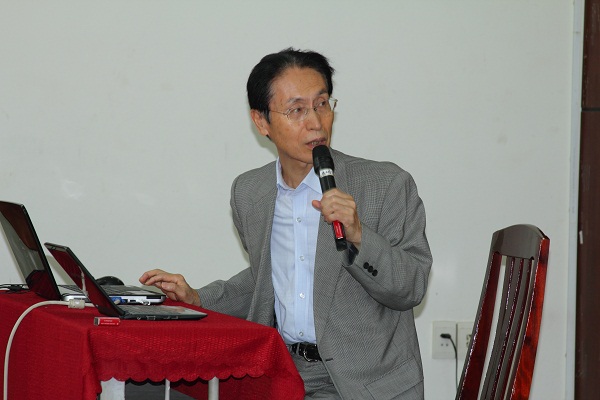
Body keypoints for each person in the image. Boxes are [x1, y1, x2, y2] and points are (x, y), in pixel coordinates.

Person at [140, 48, 432, 400]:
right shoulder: (250, 192)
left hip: (366, 383)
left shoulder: (385, 185)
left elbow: (411, 288)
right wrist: (198, 298)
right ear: (261, 122)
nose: (316, 122)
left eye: (322, 104)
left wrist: (358, 235)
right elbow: (269, 278)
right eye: (296, 110)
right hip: (283, 373)